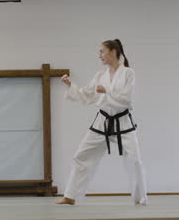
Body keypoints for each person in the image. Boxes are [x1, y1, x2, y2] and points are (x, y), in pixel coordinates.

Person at [56, 39, 147, 206]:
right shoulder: (100, 76)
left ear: (113, 52)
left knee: (134, 160)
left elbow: (127, 99)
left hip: (123, 123)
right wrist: (70, 85)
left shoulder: (128, 73)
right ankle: (70, 196)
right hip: (102, 121)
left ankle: (140, 198)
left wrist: (107, 91)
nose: (100, 56)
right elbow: (88, 95)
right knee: (81, 156)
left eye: (102, 52)